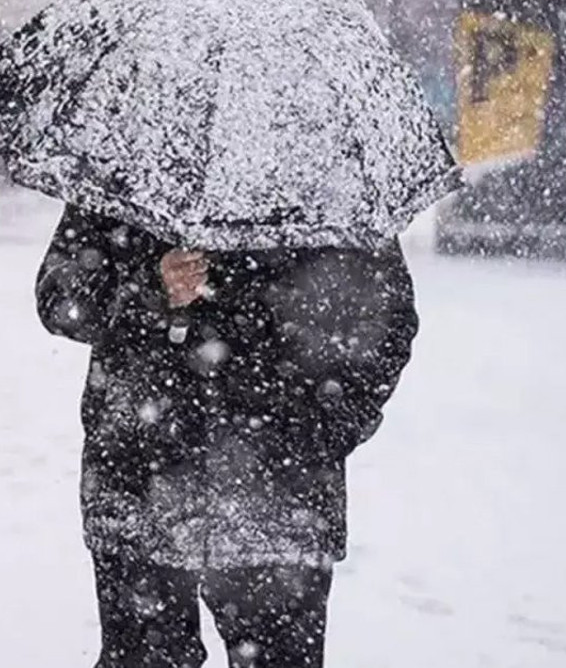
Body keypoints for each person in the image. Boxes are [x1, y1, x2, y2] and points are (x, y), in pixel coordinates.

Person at [35, 206, 418, 667]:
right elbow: (61, 300)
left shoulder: (325, 178)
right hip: (140, 480)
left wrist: (323, 431)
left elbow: (387, 321)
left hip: (278, 498)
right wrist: (151, 287)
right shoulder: (130, 162)